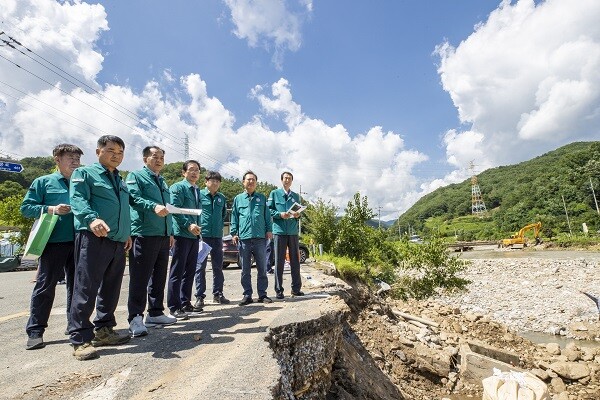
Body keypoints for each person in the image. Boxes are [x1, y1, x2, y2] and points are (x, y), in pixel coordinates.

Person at [69, 135, 132, 361]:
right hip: (94, 237)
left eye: (120, 152)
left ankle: (104, 330)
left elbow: (124, 210)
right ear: (98, 152)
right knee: (86, 288)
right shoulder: (84, 173)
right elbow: (77, 199)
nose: (116, 155)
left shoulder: (121, 180)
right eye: (111, 150)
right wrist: (90, 218)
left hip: (117, 240)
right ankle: (80, 338)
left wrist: (127, 233)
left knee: (111, 289)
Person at [20, 144, 83, 350]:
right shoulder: (43, 182)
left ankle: (73, 325)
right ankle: (36, 330)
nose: (75, 161)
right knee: (45, 286)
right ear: (57, 159)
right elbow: (26, 208)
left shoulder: (81, 182)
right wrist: (51, 209)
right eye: (70, 158)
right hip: (52, 242)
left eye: (77, 158)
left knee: (78, 286)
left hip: (79, 241)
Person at [125, 146, 177, 337]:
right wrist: (152, 206)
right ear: (145, 158)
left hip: (163, 235)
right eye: (155, 157)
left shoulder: (162, 181)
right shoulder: (136, 176)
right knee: (140, 277)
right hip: (144, 233)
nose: (159, 160)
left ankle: (155, 312)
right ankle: (135, 317)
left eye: (162, 157)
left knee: (159, 276)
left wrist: (170, 231)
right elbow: (133, 198)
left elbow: (167, 208)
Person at [230, 171, 273, 305]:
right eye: (248, 179)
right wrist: (234, 233)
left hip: (260, 238)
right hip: (244, 239)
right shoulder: (238, 199)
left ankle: (262, 294)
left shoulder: (262, 198)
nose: (251, 182)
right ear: (243, 182)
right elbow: (234, 217)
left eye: (253, 180)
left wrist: (269, 230)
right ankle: (247, 295)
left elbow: (267, 216)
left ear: (256, 182)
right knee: (245, 269)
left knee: (262, 268)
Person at [168, 160, 202, 319]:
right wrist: (188, 225)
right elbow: (174, 209)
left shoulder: (197, 190)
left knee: (189, 271)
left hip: (194, 236)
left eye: (197, 170)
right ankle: (174, 306)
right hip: (181, 234)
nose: (194, 173)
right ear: (183, 172)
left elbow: (196, 213)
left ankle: (185, 302)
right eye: (191, 170)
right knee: (177, 271)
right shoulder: (178, 188)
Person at [194, 170, 229, 308]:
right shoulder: (199, 195)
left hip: (217, 236)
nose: (214, 183)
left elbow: (223, 214)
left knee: (218, 266)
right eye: (211, 180)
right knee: (200, 267)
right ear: (206, 182)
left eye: (217, 181)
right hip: (203, 236)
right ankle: (199, 296)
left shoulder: (222, 197)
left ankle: (218, 293)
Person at [268, 171, 304, 299]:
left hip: (293, 231)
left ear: (292, 181)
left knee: (295, 260)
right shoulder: (274, 193)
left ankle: (296, 289)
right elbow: (268, 210)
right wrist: (280, 214)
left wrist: (298, 214)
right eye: (285, 178)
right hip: (279, 231)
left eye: (289, 178)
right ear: (281, 180)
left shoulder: (295, 196)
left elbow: (299, 212)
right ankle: (279, 290)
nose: (287, 180)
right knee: (279, 261)